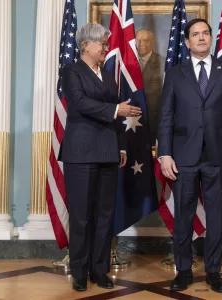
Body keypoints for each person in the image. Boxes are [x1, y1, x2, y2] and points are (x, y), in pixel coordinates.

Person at [157, 18, 222, 294]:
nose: (201, 38)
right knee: (183, 218)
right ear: (186, 42)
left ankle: (213, 272)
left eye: (205, 33)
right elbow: (165, 117)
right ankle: (183, 270)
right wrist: (164, 153)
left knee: (217, 216)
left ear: (211, 38)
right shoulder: (175, 74)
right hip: (183, 156)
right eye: (195, 35)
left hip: (218, 155)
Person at [58, 23, 141, 292]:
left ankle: (99, 269)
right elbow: (80, 104)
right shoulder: (71, 71)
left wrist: (122, 147)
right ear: (86, 45)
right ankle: (79, 272)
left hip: (108, 151)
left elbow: (116, 115)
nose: (107, 48)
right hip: (80, 152)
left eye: (106, 44)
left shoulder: (108, 75)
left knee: (105, 215)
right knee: (81, 216)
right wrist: (116, 109)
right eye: (103, 44)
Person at [135, 29, 165, 146]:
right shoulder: (126, 62)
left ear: (152, 42)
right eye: (138, 41)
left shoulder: (162, 63)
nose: (140, 44)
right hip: (130, 121)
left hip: (154, 121)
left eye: (145, 41)